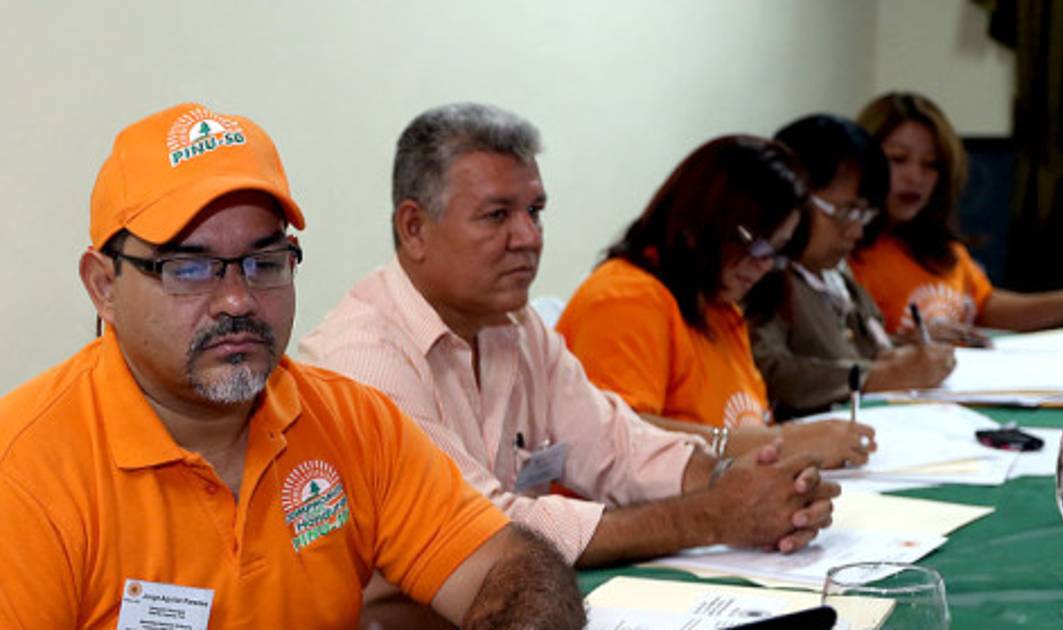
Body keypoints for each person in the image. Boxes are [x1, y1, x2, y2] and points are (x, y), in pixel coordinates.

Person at [0, 103, 584, 629]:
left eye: (265, 261)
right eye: (189, 268)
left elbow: (513, 570)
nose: (237, 300)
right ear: (103, 286)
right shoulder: (25, 473)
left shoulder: (352, 424)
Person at [301, 104, 839, 576]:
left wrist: (742, 481)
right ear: (414, 228)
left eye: (535, 212)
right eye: (497, 215)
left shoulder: (515, 325)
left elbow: (616, 446)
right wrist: (713, 514)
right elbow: (486, 528)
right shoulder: (361, 361)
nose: (529, 237)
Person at [556, 134, 876, 468]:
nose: (763, 266)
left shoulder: (721, 307)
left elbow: (750, 424)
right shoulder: (628, 298)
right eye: (756, 244)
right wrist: (782, 443)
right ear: (703, 222)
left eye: (776, 251)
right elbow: (617, 438)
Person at [746, 114, 957, 417]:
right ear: (794, 196)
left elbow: (869, 344)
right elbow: (769, 369)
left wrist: (903, 353)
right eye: (845, 212)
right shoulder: (761, 278)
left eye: (864, 215)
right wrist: (878, 377)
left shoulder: (835, 276)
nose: (856, 231)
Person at [848, 92, 1063, 344]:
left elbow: (985, 306)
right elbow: (837, 350)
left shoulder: (943, 250)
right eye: (898, 159)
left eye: (931, 165)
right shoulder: (843, 253)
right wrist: (906, 343)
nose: (916, 177)